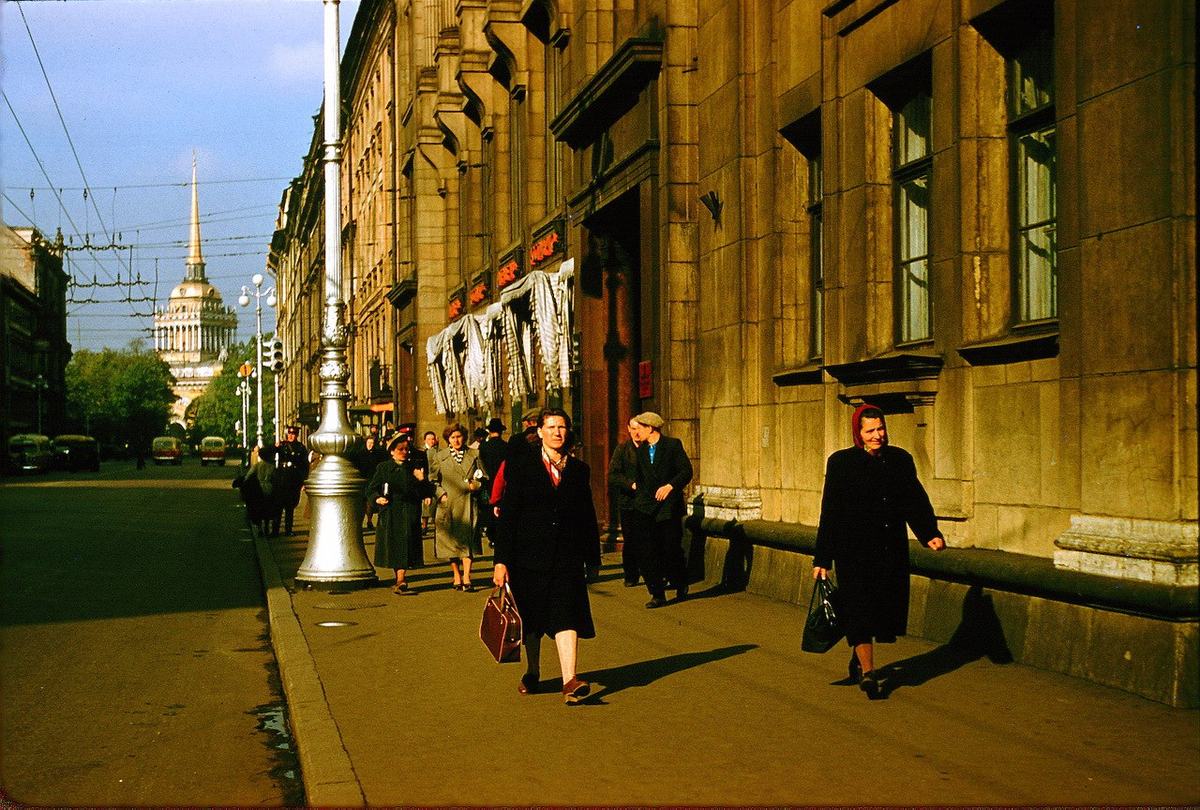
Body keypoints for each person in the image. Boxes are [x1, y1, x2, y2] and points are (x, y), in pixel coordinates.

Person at [812, 403, 946, 699]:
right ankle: (870, 674)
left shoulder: (900, 460)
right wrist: (822, 557)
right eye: (870, 430)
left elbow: (914, 499)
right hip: (853, 552)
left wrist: (929, 533)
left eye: (880, 428)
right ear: (858, 433)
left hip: (888, 549)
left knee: (880, 610)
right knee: (859, 609)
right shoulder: (841, 463)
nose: (878, 435)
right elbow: (830, 511)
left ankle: (859, 659)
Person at [492, 408, 601, 704]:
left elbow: (587, 517)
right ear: (539, 431)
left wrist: (593, 560)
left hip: (567, 557)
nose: (557, 432)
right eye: (551, 427)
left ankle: (570, 680)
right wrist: (501, 560)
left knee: (567, 615)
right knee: (532, 619)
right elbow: (509, 515)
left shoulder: (579, 470)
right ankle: (533, 671)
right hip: (527, 557)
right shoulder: (521, 466)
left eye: (562, 427)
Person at [631, 411, 693, 608]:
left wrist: (670, 486)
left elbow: (686, 471)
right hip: (646, 508)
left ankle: (680, 581)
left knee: (670, 550)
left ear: (650, 428)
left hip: (668, 508)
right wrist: (640, 496)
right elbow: (639, 477)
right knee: (648, 551)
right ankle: (657, 593)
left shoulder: (672, 445)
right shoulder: (640, 451)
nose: (636, 432)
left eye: (639, 428)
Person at [368, 437, 432, 594]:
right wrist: (377, 498)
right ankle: (399, 579)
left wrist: (421, 480)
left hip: (409, 510)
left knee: (406, 546)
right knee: (395, 547)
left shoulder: (414, 468)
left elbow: (425, 492)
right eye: (400, 449)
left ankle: (401, 579)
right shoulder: (383, 468)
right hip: (391, 511)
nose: (405, 452)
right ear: (392, 452)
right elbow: (371, 489)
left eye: (407, 449)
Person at [431, 423, 486, 592]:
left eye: (459, 436)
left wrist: (475, 485)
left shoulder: (474, 454)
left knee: (467, 542)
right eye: (452, 437)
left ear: (464, 437)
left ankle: (467, 577)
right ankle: (456, 575)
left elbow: (484, 476)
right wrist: (441, 494)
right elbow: (433, 480)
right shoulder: (440, 457)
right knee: (450, 543)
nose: (456, 440)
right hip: (448, 505)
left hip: (468, 504)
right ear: (448, 439)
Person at [607, 417, 645, 587]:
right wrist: (631, 484)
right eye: (634, 428)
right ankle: (631, 574)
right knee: (630, 539)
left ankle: (652, 572)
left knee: (649, 538)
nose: (637, 432)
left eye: (641, 428)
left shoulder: (651, 448)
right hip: (629, 502)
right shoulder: (622, 450)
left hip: (650, 502)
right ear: (628, 429)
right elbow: (613, 475)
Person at [274, 425, 310, 536]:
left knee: (290, 507)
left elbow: (305, 466)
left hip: (293, 479)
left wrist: (303, 481)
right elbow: (264, 453)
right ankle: (275, 530)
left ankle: (288, 530)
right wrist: (275, 447)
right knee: (278, 506)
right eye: (289, 433)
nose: (291, 436)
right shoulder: (282, 446)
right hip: (281, 478)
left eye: (293, 434)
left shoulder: (301, 448)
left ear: (296, 435)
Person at [355, 434, 390, 529]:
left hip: (374, 480)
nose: (371, 445)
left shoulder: (378, 454)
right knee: (364, 503)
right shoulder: (360, 454)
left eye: (372, 443)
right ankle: (365, 520)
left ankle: (370, 520)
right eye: (369, 443)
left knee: (372, 502)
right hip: (364, 480)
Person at [418, 430, 440, 534]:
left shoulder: (440, 452)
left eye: (433, 439)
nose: (431, 441)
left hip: (436, 480)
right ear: (425, 440)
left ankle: (437, 524)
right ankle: (424, 525)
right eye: (429, 439)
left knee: (436, 504)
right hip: (425, 479)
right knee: (425, 506)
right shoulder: (421, 452)